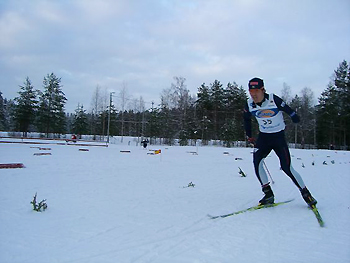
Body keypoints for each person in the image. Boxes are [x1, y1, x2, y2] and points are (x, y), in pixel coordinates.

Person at [243, 77, 317, 207]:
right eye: (250, 91)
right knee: (257, 162)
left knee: (286, 167)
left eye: (256, 91)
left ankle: (306, 194)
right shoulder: (249, 104)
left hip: (278, 137)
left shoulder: (273, 99)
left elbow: (288, 109)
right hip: (264, 138)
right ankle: (268, 195)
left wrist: (294, 116)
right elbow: (246, 119)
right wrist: (249, 135)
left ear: (262, 90)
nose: (253, 94)